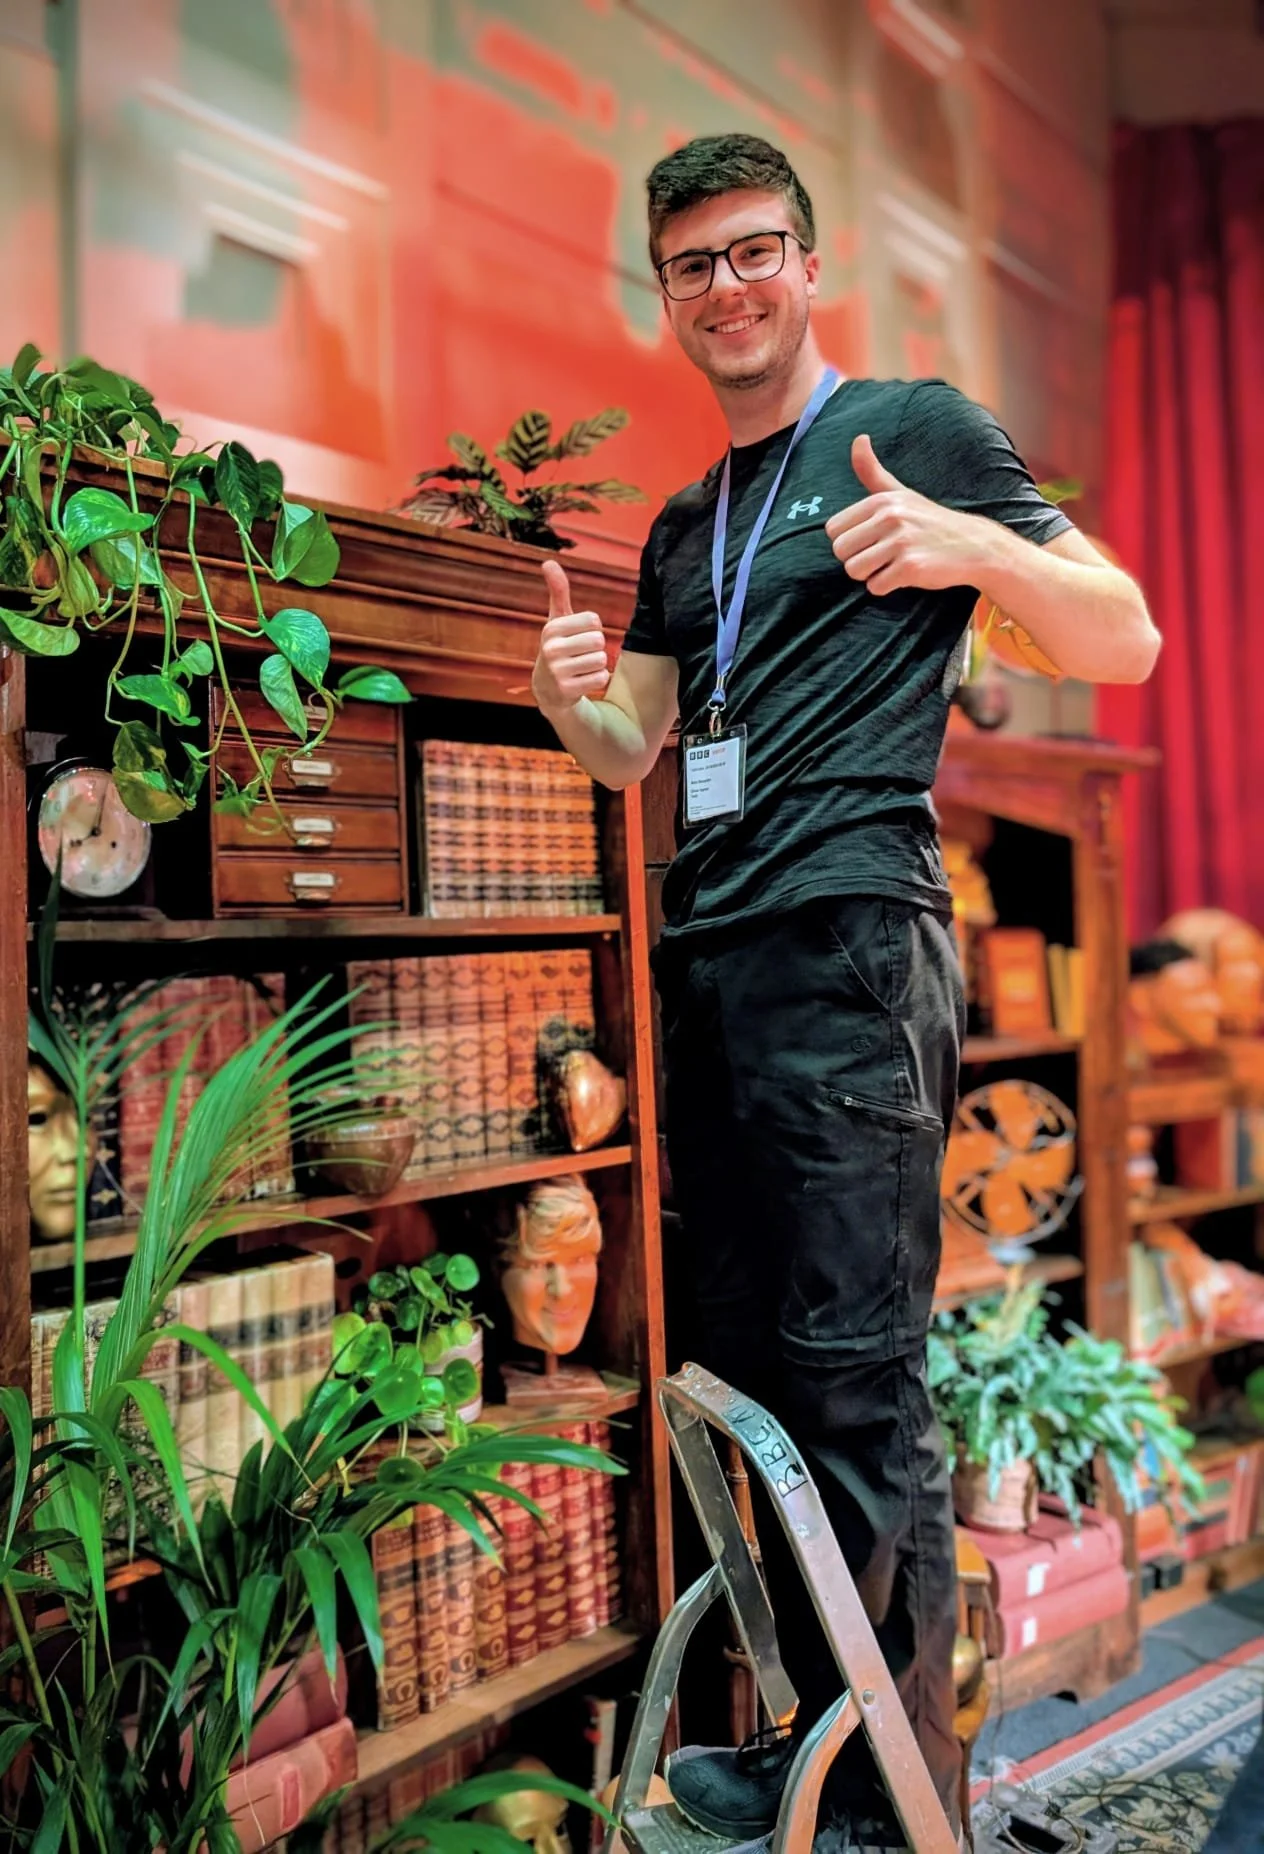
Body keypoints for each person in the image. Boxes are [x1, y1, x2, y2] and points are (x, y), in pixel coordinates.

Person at [531, 132, 1159, 1847]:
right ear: (665, 296)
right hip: (712, 963)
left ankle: (893, 1799)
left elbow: (1124, 635)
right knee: (757, 1371)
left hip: (853, 954)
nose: (727, 286)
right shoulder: (687, 526)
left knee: (859, 1380)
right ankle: (819, 1732)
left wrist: (966, 545)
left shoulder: (917, 431)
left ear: (810, 266)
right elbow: (633, 743)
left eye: (755, 251)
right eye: (693, 265)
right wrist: (572, 696)